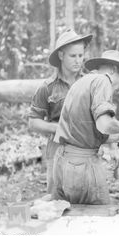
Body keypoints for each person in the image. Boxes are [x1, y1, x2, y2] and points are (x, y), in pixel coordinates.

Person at [52, 50, 119, 204]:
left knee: (71, 218)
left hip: (63, 162)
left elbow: (93, 132)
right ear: (113, 70)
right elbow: (105, 125)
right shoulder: (102, 81)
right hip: (82, 166)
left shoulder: (82, 82)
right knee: (100, 218)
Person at [28, 29, 92, 194]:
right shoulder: (47, 87)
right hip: (57, 148)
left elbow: (102, 117)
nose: (78, 61)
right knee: (56, 197)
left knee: (85, 196)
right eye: (73, 56)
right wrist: (57, 128)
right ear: (61, 55)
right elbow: (33, 122)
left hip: (86, 149)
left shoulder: (89, 83)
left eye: (80, 55)